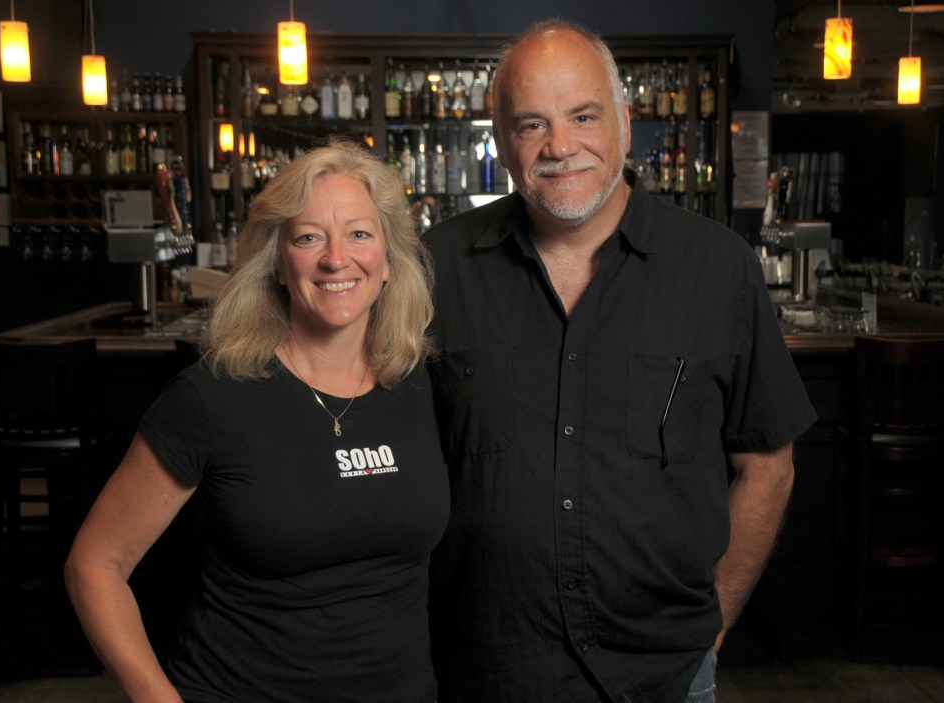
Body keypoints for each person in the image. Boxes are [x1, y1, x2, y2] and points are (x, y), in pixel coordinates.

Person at [424, 20, 816, 703]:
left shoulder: (717, 267)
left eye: (583, 117)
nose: (560, 146)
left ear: (625, 125)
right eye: (532, 124)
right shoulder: (434, 267)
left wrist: (713, 623)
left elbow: (767, 466)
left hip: (664, 677)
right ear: (502, 143)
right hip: (490, 671)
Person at [65, 140, 448, 702]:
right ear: (278, 264)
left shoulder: (421, 385)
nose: (335, 258)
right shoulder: (212, 397)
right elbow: (95, 564)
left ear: (389, 261)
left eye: (359, 234)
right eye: (308, 237)